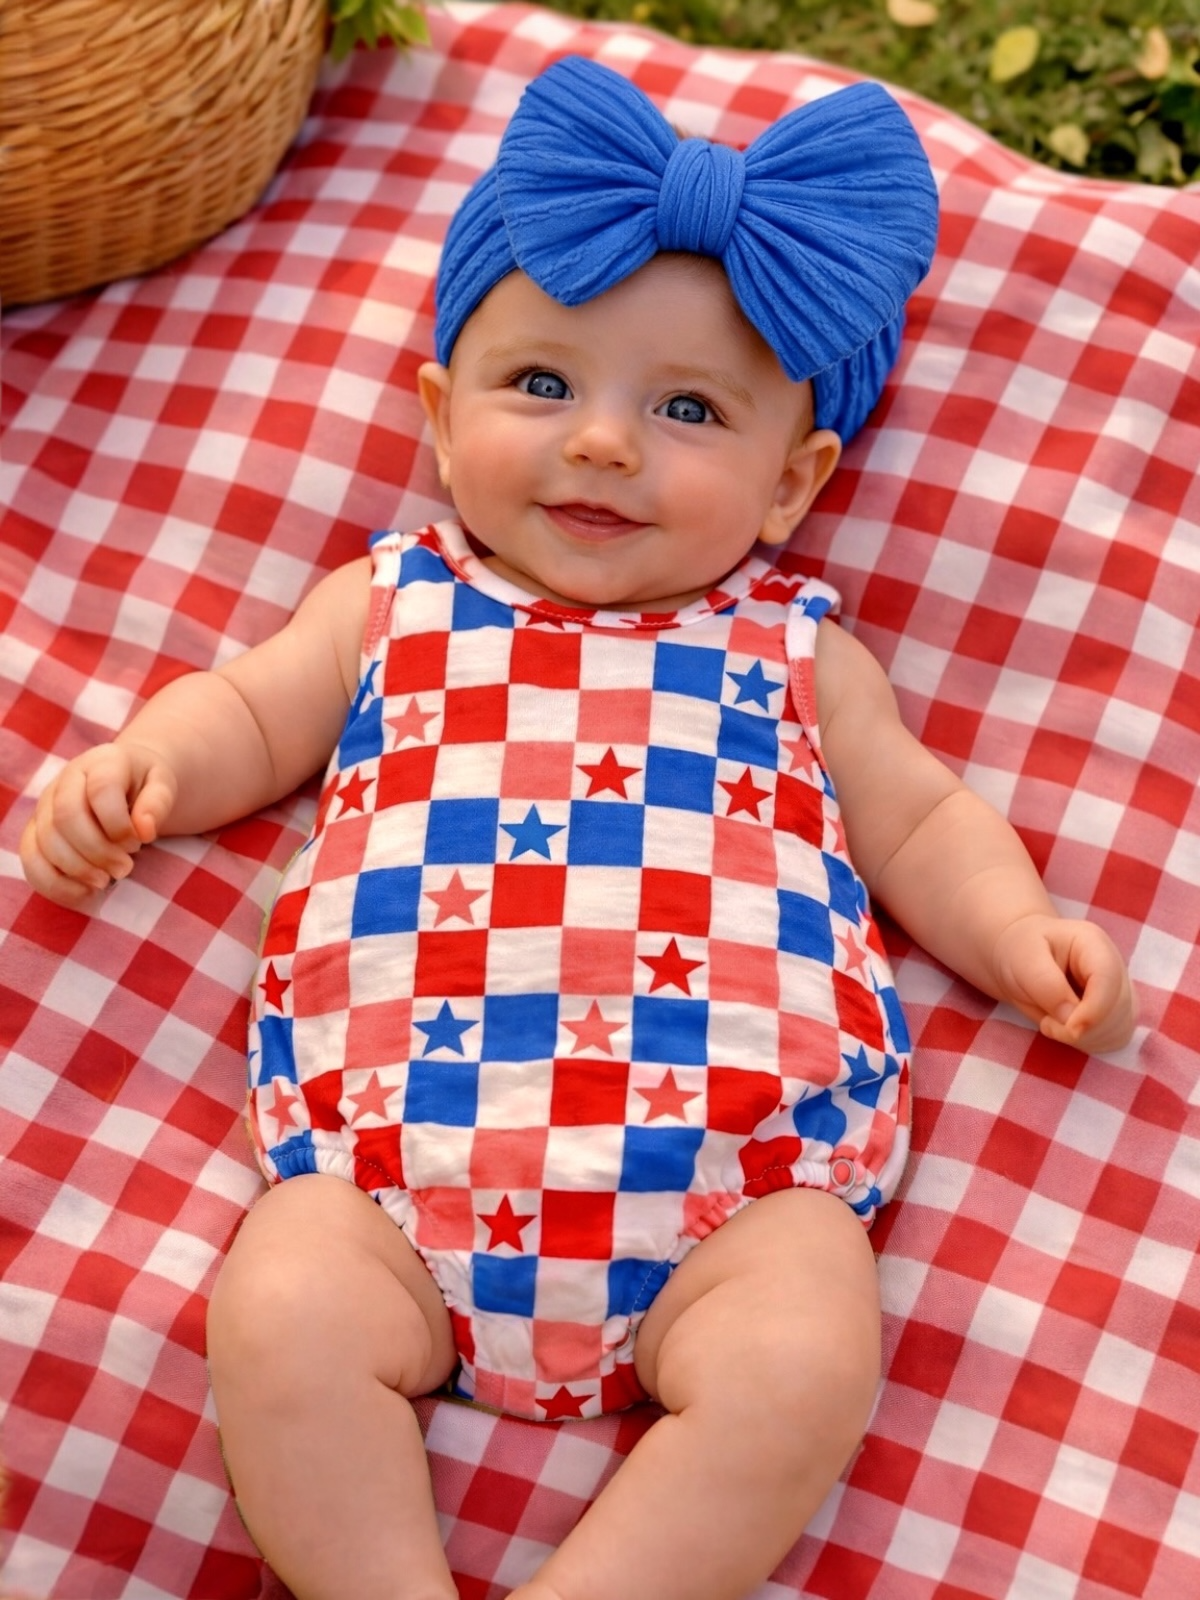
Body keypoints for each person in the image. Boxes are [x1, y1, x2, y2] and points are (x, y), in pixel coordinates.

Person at [20, 54, 1134, 1600]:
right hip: (396, 1182)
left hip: (732, 1191)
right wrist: (141, 767)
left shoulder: (795, 650)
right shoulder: (398, 600)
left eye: (688, 410)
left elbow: (924, 819)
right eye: (541, 386)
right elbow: (255, 714)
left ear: (794, 483)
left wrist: (1021, 934)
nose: (603, 442)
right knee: (279, 1308)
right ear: (436, 415)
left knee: (806, 1351)